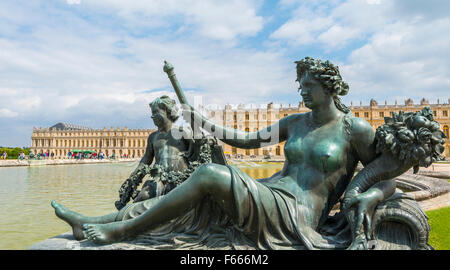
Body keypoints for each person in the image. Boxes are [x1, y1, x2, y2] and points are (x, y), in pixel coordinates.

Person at [51, 58, 397, 249]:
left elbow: (386, 174)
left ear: (329, 87)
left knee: (207, 176)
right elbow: (246, 141)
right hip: (273, 192)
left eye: (308, 86)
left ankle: (119, 232)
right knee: (192, 199)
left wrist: (370, 194)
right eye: (300, 86)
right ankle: (91, 222)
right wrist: (205, 123)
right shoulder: (295, 122)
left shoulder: (356, 129)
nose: (302, 92)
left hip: (298, 214)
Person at [114, 95, 194, 208]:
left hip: (180, 180)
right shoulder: (153, 137)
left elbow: (199, 152)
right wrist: (132, 179)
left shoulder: (183, 132)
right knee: (141, 199)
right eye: (152, 113)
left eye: (156, 112)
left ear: (168, 111)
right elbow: (146, 160)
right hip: (158, 180)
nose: (152, 116)